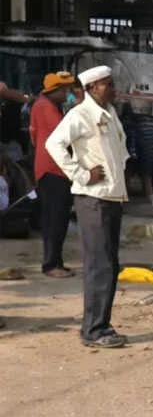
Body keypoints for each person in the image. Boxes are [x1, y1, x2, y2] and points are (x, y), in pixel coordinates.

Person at [46, 66, 129, 349]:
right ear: (92, 88)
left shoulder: (111, 113)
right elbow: (53, 144)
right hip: (93, 199)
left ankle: (100, 324)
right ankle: (94, 329)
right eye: (108, 84)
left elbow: (120, 151)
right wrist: (81, 174)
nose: (113, 88)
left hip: (111, 197)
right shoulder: (80, 115)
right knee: (99, 265)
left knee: (109, 264)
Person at [29, 71, 76, 277]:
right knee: (54, 219)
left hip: (52, 169)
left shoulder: (46, 106)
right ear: (54, 90)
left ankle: (56, 261)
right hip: (53, 169)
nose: (68, 93)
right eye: (64, 89)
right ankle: (51, 264)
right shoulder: (45, 108)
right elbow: (64, 135)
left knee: (58, 218)